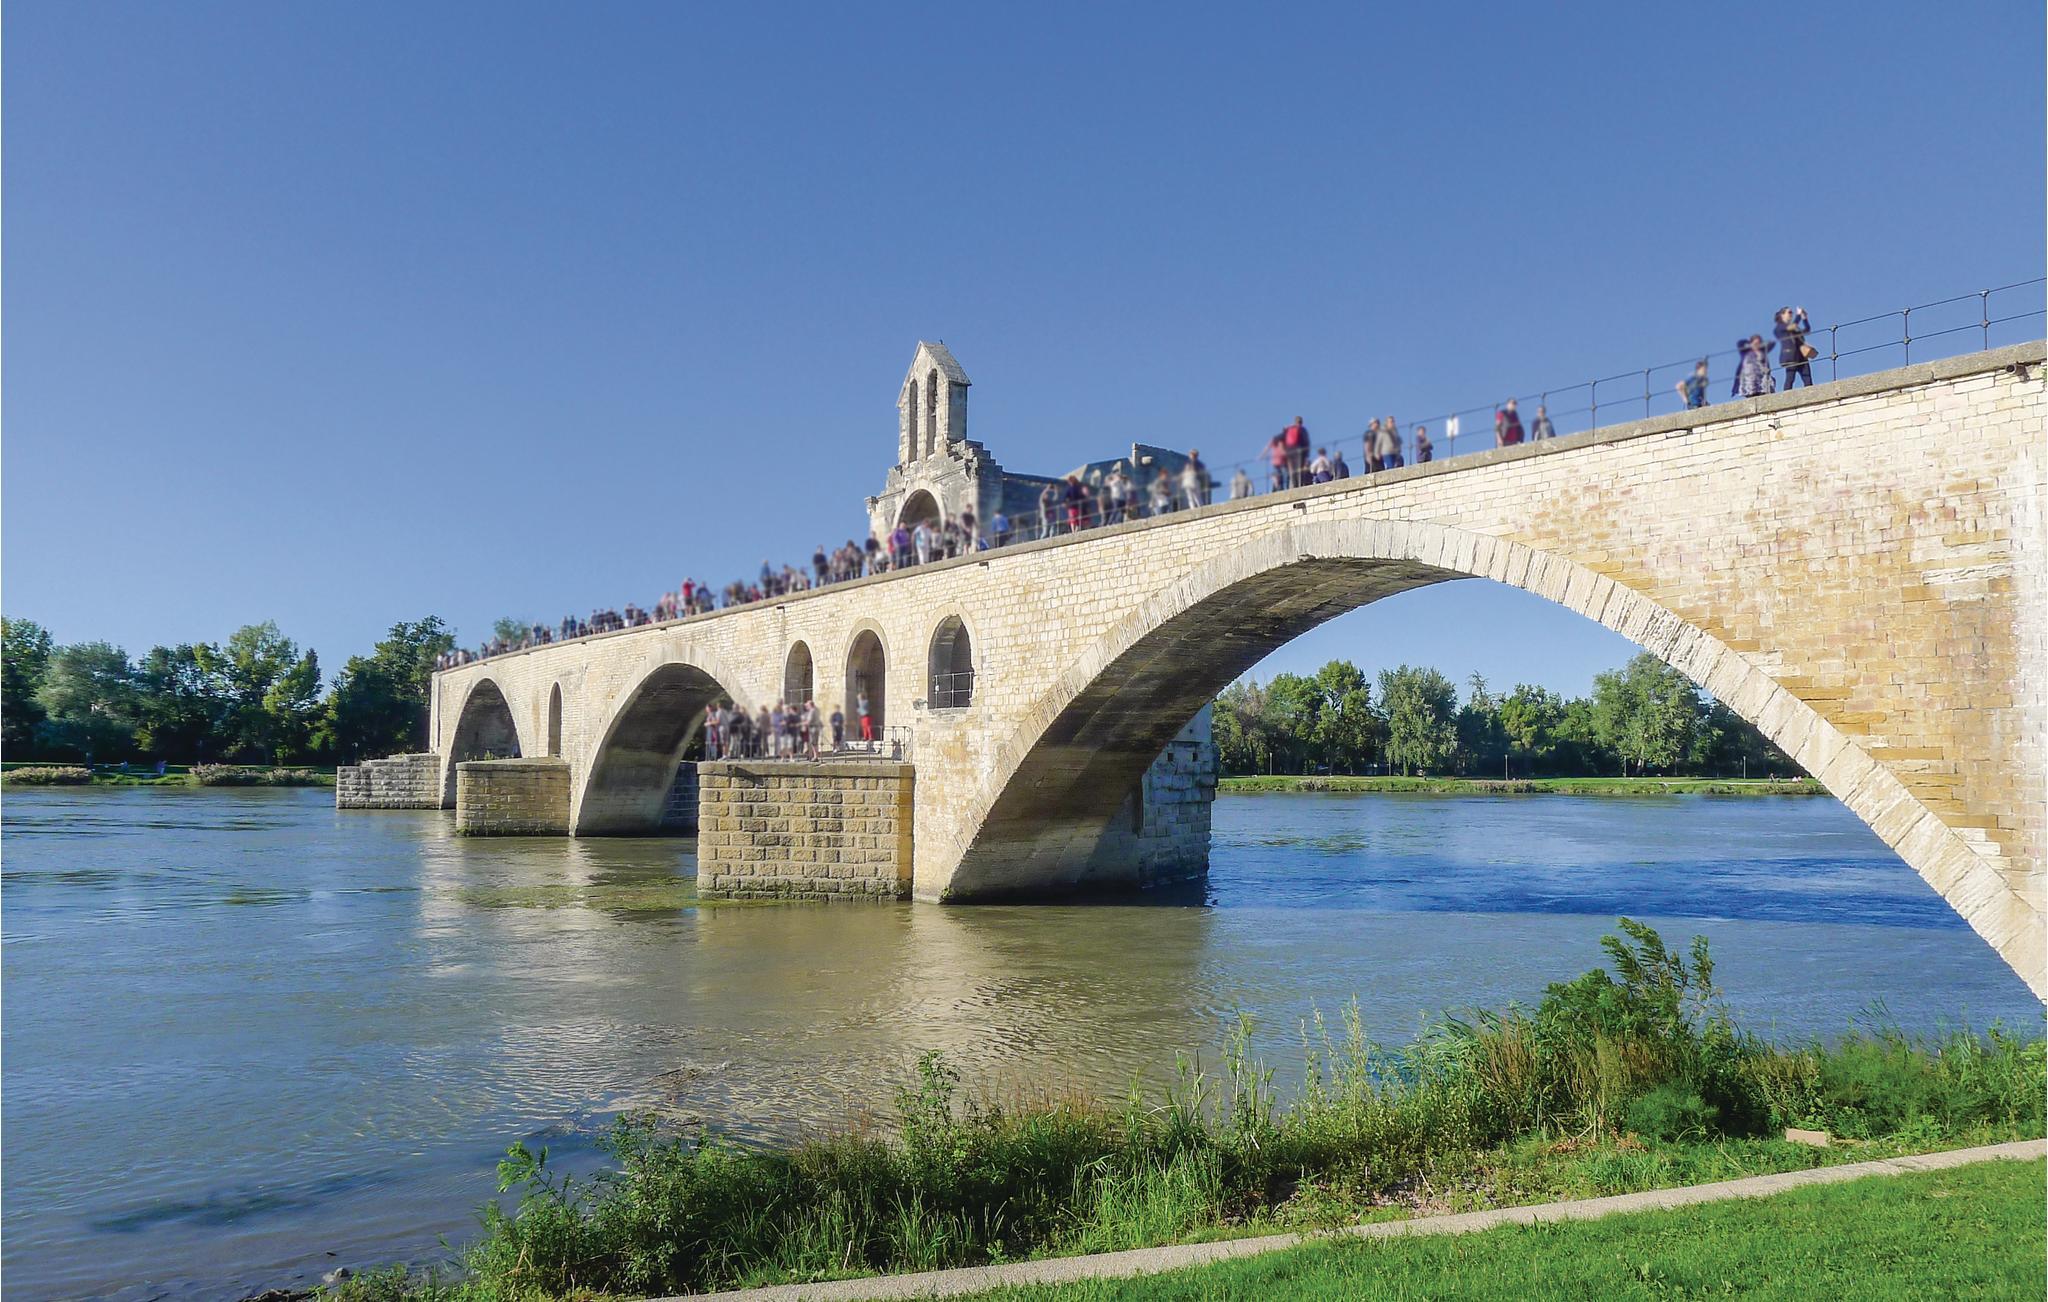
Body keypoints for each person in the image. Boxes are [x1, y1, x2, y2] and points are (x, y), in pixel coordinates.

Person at [1775, 306, 1814, 389]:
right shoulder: (1780, 327)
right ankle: (1786, 395)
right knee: (1790, 378)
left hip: (1801, 356)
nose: (1791, 314)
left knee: (1807, 378)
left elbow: (1807, 330)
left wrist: (1804, 318)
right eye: (1789, 312)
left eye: (1791, 313)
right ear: (1782, 315)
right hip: (1790, 356)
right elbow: (1792, 327)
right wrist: (1798, 315)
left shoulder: (1794, 328)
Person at [1282, 417, 1310, 488]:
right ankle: (1299, 484)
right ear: (1301, 422)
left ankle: (1294, 485)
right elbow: (1306, 441)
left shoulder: (1289, 428)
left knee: (1293, 470)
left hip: (1290, 452)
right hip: (1299, 451)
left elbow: (1284, 439)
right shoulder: (1302, 429)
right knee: (1299, 469)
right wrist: (1306, 454)